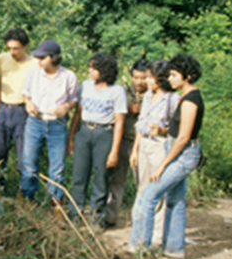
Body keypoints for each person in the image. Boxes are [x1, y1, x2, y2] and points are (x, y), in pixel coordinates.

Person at [128, 54, 204, 259]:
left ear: (187, 76)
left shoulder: (190, 100)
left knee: (148, 197)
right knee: (175, 200)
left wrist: (162, 165)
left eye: (173, 75)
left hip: (182, 155)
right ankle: (174, 249)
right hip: (181, 152)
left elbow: (182, 138)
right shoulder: (187, 97)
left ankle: (139, 247)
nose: (169, 79)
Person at [68, 52, 127, 227]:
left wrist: (114, 151)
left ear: (104, 70)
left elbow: (119, 122)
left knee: (100, 177)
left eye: (94, 68)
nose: (90, 71)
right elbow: (77, 113)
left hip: (104, 134)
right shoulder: (85, 86)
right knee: (79, 175)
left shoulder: (117, 91)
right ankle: (75, 215)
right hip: (84, 131)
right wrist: (71, 138)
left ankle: (96, 218)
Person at [20, 40, 78, 216]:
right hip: (35, 121)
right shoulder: (33, 73)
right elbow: (25, 94)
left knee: (57, 168)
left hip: (57, 124)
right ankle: (27, 202)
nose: (39, 61)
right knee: (29, 165)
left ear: (54, 57)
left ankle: (57, 205)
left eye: (42, 57)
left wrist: (66, 107)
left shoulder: (69, 76)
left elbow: (74, 100)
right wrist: (28, 103)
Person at [128, 59, 179, 247]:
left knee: (157, 190)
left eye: (151, 77)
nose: (147, 81)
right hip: (144, 145)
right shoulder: (148, 96)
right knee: (142, 187)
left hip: (160, 145)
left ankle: (156, 237)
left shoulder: (173, 99)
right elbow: (141, 125)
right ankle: (138, 231)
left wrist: (162, 131)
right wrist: (135, 150)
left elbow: (177, 129)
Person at [0, 27, 36, 187]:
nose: (12, 52)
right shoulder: (2, 59)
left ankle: (24, 194)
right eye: (9, 48)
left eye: (16, 48)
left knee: (24, 157)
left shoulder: (35, 64)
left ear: (25, 46)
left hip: (22, 111)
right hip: (4, 109)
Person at [105, 58, 147, 225]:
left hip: (143, 143)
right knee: (116, 180)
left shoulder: (154, 95)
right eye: (136, 77)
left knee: (142, 183)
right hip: (122, 140)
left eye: (143, 78)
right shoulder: (123, 92)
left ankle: (141, 220)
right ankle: (110, 217)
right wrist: (128, 110)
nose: (139, 82)